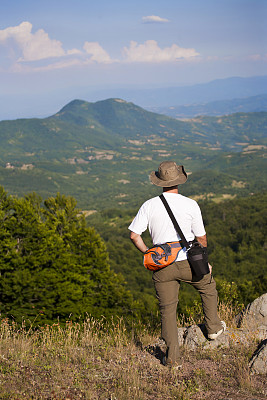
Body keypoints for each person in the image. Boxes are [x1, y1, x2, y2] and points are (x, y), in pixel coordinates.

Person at [128, 161, 226, 368]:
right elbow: (202, 239)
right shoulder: (191, 204)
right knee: (208, 287)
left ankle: (172, 359)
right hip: (189, 262)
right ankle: (214, 328)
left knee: (167, 310)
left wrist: (149, 253)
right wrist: (204, 262)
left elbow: (134, 235)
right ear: (179, 180)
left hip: (162, 266)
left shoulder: (149, 205)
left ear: (160, 182)